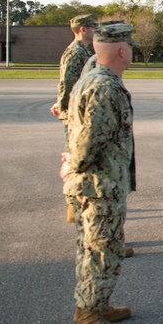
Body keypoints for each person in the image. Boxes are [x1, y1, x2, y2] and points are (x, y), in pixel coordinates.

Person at [60, 23, 139, 324]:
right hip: (99, 185)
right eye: (130, 46)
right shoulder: (105, 87)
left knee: (94, 247)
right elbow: (89, 140)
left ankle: (94, 307)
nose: (132, 51)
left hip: (98, 182)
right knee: (101, 250)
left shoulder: (92, 79)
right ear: (121, 50)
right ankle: (90, 320)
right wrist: (72, 165)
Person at [52, 14, 97, 222]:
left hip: (84, 112)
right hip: (75, 115)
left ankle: (79, 201)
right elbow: (67, 84)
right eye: (93, 26)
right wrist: (64, 109)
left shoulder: (87, 51)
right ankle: (72, 204)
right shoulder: (74, 52)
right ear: (83, 29)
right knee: (75, 159)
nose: (96, 29)